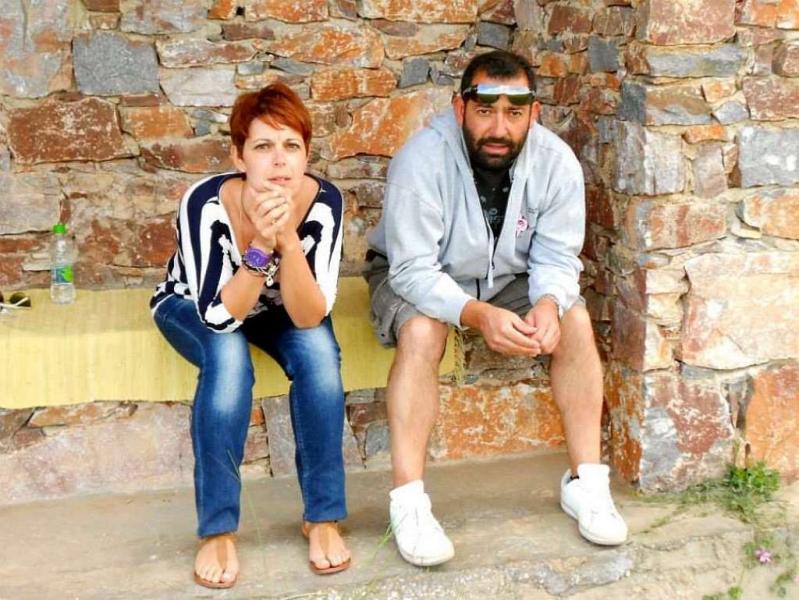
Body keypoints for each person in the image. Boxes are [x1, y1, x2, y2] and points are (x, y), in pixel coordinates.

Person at [364, 50, 628, 567]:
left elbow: (557, 258)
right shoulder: (421, 159)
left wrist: (548, 302)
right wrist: (476, 314)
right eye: (485, 111)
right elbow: (412, 269)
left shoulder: (556, 162)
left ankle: (586, 483)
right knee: (422, 333)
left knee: (574, 320)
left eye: (514, 112)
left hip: (509, 277)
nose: (499, 128)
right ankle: (408, 503)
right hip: (416, 273)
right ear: (460, 108)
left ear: (534, 113)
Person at [151, 82, 351, 588]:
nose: (279, 161)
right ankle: (218, 528)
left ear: (306, 154)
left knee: (320, 358)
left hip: (280, 307)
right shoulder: (205, 203)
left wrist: (289, 242)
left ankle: (323, 517)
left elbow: (309, 316)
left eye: (291, 146)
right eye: (263, 146)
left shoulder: (325, 202)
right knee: (229, 361)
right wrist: (262, 243)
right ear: (239, 156)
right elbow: (221, 316)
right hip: (196, 303)